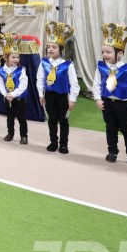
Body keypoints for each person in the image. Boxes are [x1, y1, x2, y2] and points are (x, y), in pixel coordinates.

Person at [92, 23, 127, 167]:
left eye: (108, 52)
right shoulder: (101, 67)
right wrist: (97, 98)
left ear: (120, 54)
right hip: (107, 102)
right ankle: (112, 151)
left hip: (123, 104)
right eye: (103, 52)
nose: (105, 55)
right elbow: (97, 83)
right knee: (110, 128)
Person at [38, 21, 78, 154]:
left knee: (63, 120)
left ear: (61, 49)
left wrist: (72, 99)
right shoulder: (44, 63)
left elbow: (74, 83)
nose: (50, 49)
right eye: (48, 47)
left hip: (62, 96)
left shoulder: (68, 65)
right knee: (52, 119)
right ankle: (53, 142)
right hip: (49, 95)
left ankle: (63, 144)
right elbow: (40, 79)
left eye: (54, 47)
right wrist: (41, 94)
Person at [0, 34, 29, 144]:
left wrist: (13, 94)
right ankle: (10, 133)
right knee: (10, 116)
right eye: (13, 57)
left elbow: (23, 85)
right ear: (6, 58)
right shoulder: (0, 71)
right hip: (8, 98)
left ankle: (24, 135)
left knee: (21, 117)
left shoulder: (21, 70)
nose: (16, 59)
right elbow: (0, 84)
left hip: (19, 98)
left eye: (17, 57)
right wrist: (6, 94)